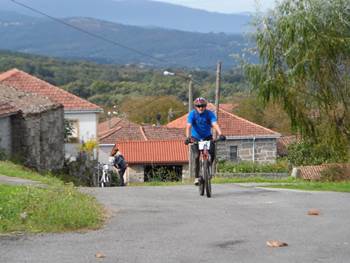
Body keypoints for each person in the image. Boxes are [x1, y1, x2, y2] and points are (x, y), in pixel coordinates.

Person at [185, 97, 226, 185]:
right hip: (195, 138)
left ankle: (208, 168)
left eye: (203, 106)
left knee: (212, 152)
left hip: (207, 137)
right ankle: (196, 177)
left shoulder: (209, 114)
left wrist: (220, 134)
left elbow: (214, 124)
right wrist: (188, 138)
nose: (201, 108)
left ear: (205, 106)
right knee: (196, 156)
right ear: (195, 106)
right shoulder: (192, 114)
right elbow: (188, 126)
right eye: (198, 106)